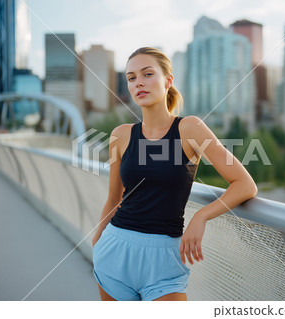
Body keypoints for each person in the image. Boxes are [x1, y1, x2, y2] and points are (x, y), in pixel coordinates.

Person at [91, 47, 257, 301]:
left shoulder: (190, 128)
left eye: (147, 74)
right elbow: (114, 198)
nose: (139, 83)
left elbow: (245, 185)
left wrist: (201, 216)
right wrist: (98, 242)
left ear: (168, 80)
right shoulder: (121, 135)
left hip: (165, 258)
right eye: (132, 78)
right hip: (114, 251)